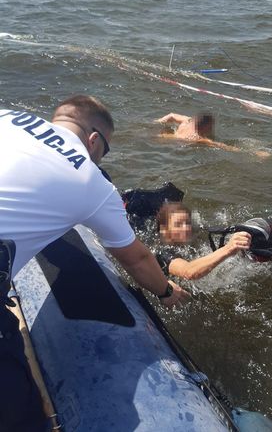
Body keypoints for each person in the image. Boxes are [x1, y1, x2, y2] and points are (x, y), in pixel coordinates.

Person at [0, 95, 190, 432]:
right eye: (106, 150)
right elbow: (137, 258)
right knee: (22, 416)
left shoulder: (7, 117)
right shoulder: (93, 181)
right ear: (93, 139)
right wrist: (164, 291)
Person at [155, 202, 251, 279]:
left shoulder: (195, 237)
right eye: (178, 225)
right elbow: (188, 272)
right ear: (164, 230)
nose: (186, 228)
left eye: (187, 223)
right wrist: (228, 249)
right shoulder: (163, 253)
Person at [155, 112, 270, 158]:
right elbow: (223, 146)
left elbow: (171, 115)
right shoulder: (197, 138)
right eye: (210, 126)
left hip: (164, 137)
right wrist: (255, 152)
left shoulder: (187, 121)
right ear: (204, 127)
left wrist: (158, 121)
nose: (212, 128)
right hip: (172, 144)